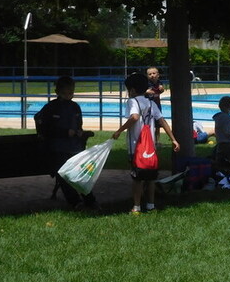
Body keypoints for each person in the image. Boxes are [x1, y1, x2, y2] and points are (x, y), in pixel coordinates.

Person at [112, 72, 180, 214]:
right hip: (150, 147)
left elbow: (135, 117)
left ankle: (136, 206)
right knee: (150, 177)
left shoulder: (132, 101)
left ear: (132, 90)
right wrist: (173, 139)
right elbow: (162, 121)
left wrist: (119, 130)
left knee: (137, 178)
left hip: (136, 146)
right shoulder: (151, 103)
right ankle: (150, 205)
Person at [34, 75, 96, 210]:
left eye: (71, 93)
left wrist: (79, 131)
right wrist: (65, 132)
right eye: (65, 93)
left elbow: (79, 124)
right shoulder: (51, 107)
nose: (68, 96)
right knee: (63, 174)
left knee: (80, 174)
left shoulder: (75, 107)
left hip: (74, 147)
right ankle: (75, 201)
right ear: (57, 92)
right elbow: (45, 128)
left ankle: (90, 200)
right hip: (58, 148)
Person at [213, 96, 230, 172]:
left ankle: (220, 166)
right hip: (229, 142)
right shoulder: (229, 119)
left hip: (220, 141)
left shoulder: (218, 118)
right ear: (228, 107)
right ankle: (228, 167)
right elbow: (228, 132)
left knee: (220, 157)